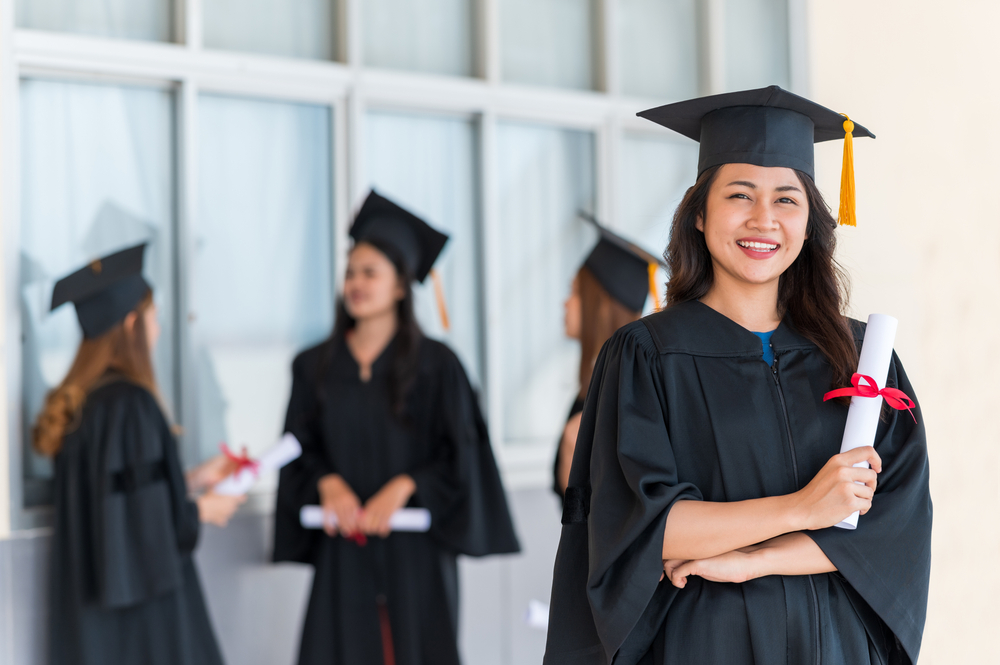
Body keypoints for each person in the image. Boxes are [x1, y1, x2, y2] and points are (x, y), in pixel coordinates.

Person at [544, 86, 931, 665]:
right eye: (739, 195)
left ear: (810, 222)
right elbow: (646, 531)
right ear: (699, 213)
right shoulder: (645, 356)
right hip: (704, 641)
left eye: (786, 199)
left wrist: (755, 558)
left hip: (834, 644)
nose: (763, 220)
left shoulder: (860, 356)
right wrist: (803, 508)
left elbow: (891, 528)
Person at [273, 191, 520, 665]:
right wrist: (327, 483)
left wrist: (406, 486)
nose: (356, 283)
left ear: (402, 286)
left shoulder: (438, 366)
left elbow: (462, 457)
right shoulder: (314, 367)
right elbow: (298, 447)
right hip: (343, 548)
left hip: (417, 554)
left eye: (370, 273)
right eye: (350, 273)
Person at [36, 243, 246, 665]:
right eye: (154, 316)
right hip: (142, 621)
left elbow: (119, 496)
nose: (159, 328)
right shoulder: (130, 404)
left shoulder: (86, 405)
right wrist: (201, 510)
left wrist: (189, 480)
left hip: (92, 611)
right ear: (131, 323)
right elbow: (144, 524)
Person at [554, 216, 660, 499]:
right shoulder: (591, 389)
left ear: (601, 307)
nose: (565, 302)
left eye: (575, 292)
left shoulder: (634, 391)